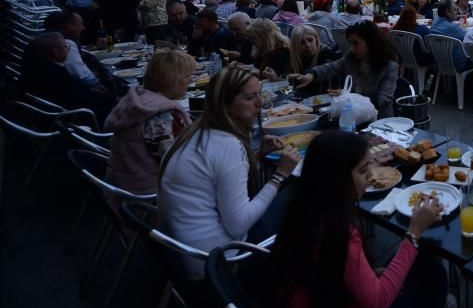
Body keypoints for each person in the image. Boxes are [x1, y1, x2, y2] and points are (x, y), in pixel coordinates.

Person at [271, 131, 451, 308]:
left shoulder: (304, 209)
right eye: (363, 170)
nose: (371, 176)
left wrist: (368, 275)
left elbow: (330, 272)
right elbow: (378, 302)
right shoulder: (337, 232)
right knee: (434, 275)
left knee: (423, 261)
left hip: (313, 306)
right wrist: (414, 232)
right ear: (338, 178)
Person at [159, 68, 301, 280]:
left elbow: (217, 177)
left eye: (259, 94)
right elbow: (238, 224)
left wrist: (257, 155)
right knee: (301, 189)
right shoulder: (227, 145)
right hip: (221, 267)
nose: (260, 103)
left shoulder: (197, 132)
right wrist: (279, 175)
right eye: (250, 97)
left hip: (185, 257)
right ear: (225, 104)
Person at [104, 49, 195, 199]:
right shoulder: (160, 116)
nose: (191, 80)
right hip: (149, 197)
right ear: (172, 80)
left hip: (125, 182)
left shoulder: (137, 102)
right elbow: (177, 166)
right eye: (187, 76)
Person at [293, 21, 400, 118]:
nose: (351, 48)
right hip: (353, 116)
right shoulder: (351, 59)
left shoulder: (389, 67)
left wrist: (350, 97)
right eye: (350, 43)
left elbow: (383, 101)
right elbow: (330, 68)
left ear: (371, 43)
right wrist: (311, 75)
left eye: (356, 43)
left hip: (379, 120)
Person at [21, 31, 116, 120]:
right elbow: (77, 99)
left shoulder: (40, 70)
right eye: (66, 47)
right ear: (56, 52)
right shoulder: (55, 75)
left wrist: (89, 89)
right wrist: (113, 99)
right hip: (79, 118)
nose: (68, 49)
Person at [428, 0, 473, 72]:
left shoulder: (434, 24)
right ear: (448, 12)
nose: (457, 12)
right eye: (455, 10)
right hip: (457, 65)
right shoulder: (452, 28)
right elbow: (471, 38)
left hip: (439, 62)